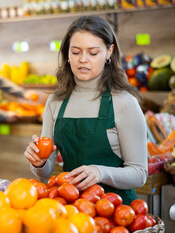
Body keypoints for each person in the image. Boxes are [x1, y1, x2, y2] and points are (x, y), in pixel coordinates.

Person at [24, 15, 147, 205]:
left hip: (115, 214)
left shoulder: (124, 103)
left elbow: (139, 174)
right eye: (75, 52)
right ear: (67, 53)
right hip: (72, 210)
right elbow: (46, 170)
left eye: (92, 52)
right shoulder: (55, 102)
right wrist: (38, 162)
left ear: (108, 52)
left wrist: (100, 172)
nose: (83, 60)